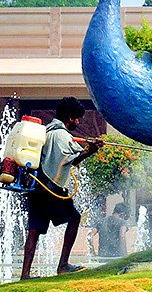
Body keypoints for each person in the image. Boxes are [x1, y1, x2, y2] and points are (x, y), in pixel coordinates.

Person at [20, 97, 103, 280]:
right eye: (77, 118)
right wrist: (90, 151)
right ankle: (63, 265)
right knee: (74, 218)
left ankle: (25, 274)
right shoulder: (61, 135)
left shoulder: (46, 131)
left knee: (34, 230)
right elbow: (69, 159)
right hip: (51, 189)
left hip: (35, 188)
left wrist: (87, 149)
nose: (78, 122)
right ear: (71, 117)